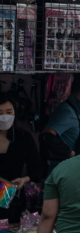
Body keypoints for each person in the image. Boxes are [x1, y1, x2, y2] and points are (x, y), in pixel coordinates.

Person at [0, 90, 46, 226]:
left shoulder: (23, 137)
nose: (4, 117)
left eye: (9, 112)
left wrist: (23, 180)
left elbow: (37, 168)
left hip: (12, 200)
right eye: (0, 113)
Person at [41, 72, 80, 172]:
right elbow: (46, 136)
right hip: (62, 172)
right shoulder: (67, 111)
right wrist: (70, 154)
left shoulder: (79, 111)